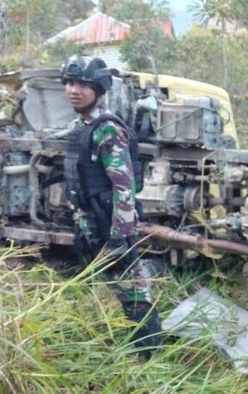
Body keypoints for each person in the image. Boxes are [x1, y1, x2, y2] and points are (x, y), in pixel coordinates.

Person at [61, 55, 160, 358]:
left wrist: (119, 236)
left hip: (111, 222)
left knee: (132, 287)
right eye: (70, 83)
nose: (74, 90)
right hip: (93, 220)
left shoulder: (107, 130)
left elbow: (123, 186)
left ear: (99, 89)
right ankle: (131, 348)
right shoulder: (83, 126)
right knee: (117, 286)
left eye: (83, 85)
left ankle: (151, 355)